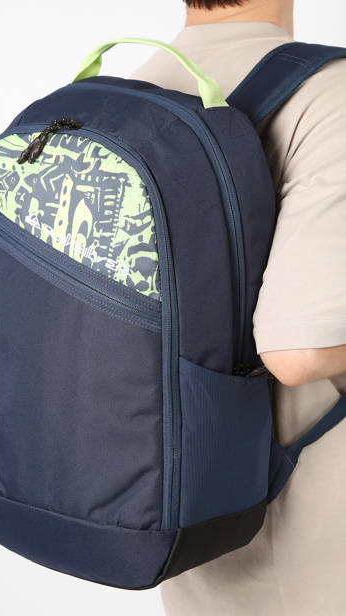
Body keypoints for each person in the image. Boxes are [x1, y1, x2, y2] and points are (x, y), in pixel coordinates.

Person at [132, 1, 346, 614]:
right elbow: (298, 351)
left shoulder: (134, 87)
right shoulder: (328, 96)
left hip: (183, 508)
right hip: (309, 537)